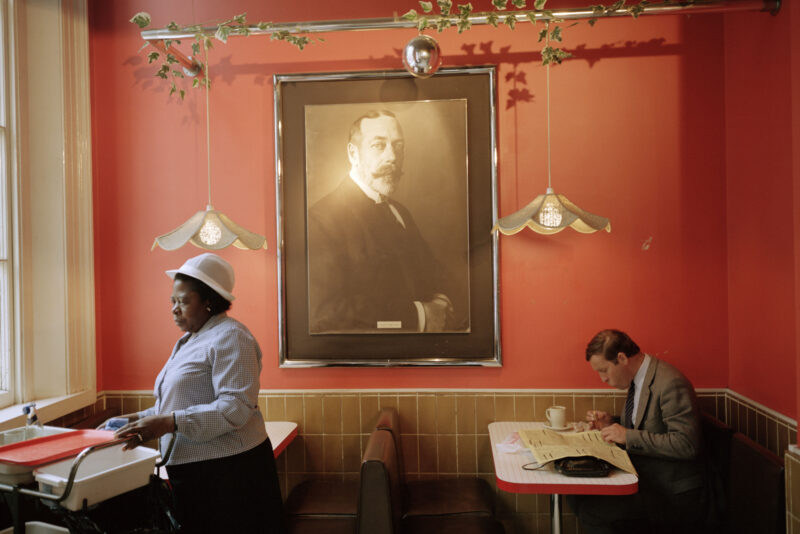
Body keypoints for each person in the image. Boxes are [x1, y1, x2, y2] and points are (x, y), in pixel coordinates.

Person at [110, 253, 285, 534]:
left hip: (230, 475)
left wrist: (169, 423)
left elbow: (235, 408)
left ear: (209, 301)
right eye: (173, 301)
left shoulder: (231, 337)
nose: (174, 310)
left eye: (183, 301)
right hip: (194, 474)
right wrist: (138, 418)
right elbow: (178, 405)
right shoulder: (190, 340)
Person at [307, 109, 466, 334]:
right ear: (353, 154)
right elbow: (326, 313)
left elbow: (434, 273)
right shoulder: (320, 220)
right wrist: (419, 317)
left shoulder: (400, 212)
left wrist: (441, 302)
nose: (392, 157)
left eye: (398, 146)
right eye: (378, 145)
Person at [569, 329, 706, 534]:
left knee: (592, 512)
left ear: (622, 358)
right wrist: (610, 423)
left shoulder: (669, 383)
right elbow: (645, 424)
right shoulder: (639, 380)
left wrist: (627, 436)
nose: (602, 379)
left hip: (671, 493)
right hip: (648, 482)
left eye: (604, 370)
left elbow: (686, 444)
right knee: (576, 496)